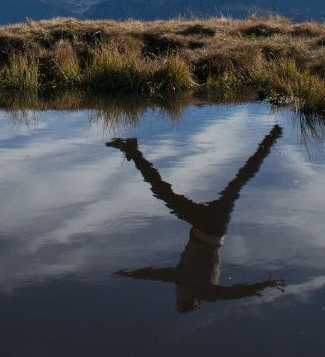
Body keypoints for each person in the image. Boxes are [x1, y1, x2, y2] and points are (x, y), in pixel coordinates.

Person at [106, 125, 286, 312]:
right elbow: (234, 293)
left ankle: (132, 150)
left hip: (207, 226)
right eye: (179, 299)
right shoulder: (204, 292)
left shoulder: (180, 277)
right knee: (166, 190)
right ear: (188, 300)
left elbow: (154, 275)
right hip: (211, 226)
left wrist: (131, 275)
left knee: (237, 180)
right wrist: (264, 285)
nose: (177, 294)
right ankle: (132, 150)